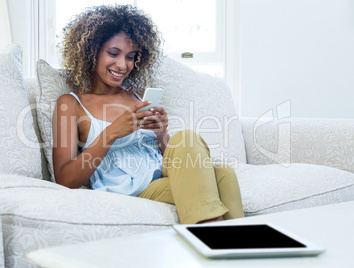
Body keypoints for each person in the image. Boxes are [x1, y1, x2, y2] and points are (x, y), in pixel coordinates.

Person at [52, 4, 244, 224]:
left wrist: (161, 134)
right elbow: (65, 179)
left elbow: (167, 157)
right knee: (217, 182)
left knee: (219, 169)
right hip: (129, 191)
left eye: (131, 57)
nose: (123, 65)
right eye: (113, 53)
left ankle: (238, 250)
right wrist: (112, 132)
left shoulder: (136, 98)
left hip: (163, 177)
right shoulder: (71, 104)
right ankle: (217, 238)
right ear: (91, 51)